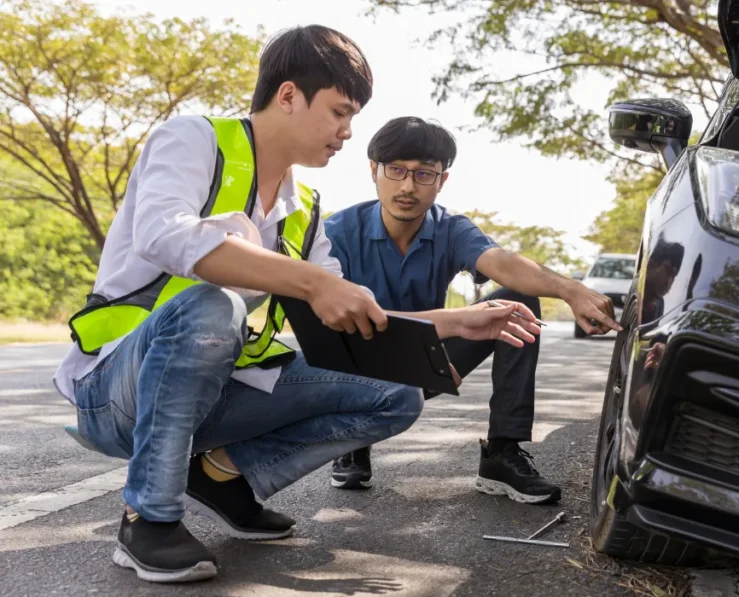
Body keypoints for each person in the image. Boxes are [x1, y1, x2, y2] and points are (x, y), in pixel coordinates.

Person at [52, 26, 539, 584]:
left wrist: (459, 321)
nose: (347, 132)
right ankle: (149, 517)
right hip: (118, 391)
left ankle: (222, 476)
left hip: (216, 396)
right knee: (212, 307)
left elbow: (349, 314)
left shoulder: (304, 207)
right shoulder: (193, 139)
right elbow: (163, 234)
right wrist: (309, 281)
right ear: (288, 96)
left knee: (397, 395)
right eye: (339, 112)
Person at [323, 117, 623, 505]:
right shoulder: (337, 233)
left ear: (442, 180)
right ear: (373, 171)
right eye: (396, 170)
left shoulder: (449, 228)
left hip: (428, 360)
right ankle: (353, 441)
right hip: (357, 366)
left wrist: (570, 289)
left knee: (518, 301)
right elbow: (328, 325)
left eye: (424, 174)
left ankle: (502, 452)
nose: (408, 186)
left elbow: (502, 262)